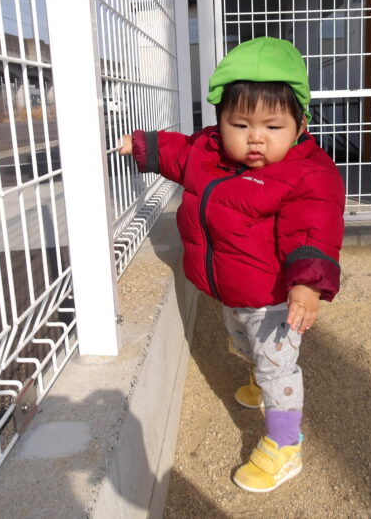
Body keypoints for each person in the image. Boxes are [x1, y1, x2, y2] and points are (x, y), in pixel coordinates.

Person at [118, 36, 345, 492]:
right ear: (219, 121)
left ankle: (285, 445)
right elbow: (178, 151)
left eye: (273, 126)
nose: (255, 137)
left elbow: (312, 231)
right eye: (239, 124)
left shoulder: (308, 174)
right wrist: (139, 145)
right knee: (242, 342)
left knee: (278, 367)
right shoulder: (208, 152)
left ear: (301, 125)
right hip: (233, 292)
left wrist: (307, 285)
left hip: (275, 300)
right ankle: (259, 378)